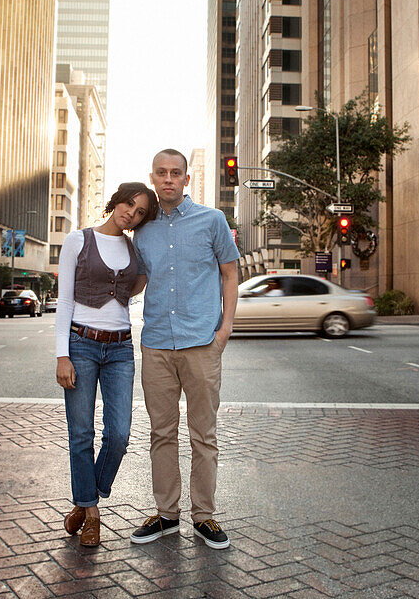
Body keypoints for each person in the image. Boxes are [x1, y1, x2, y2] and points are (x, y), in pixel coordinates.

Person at [130, 149, 240, 550]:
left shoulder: (212, 220)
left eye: (176, 173)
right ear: (153, 177)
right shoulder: (142, 231)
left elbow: (231, 274)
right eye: (161, 173)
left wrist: (224, 329)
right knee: (161, 432)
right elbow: (139, 279)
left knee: (203, 435)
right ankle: (166, 514)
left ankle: (204, 516)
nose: (169, 179)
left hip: (201, 343)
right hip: (157, 342)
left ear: (186, 179)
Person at [55, 182, 157, 547]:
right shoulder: (77, 240)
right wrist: (61, 354)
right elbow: (64, 300)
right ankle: (92, 514)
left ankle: (86, 497)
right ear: (116, 202)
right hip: (80, 343)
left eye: (141, 211)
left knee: (119, 434)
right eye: (129, 204)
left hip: (120, 349)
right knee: (81, 433)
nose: (132, 212)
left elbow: (140, 281)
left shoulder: (135, 248)